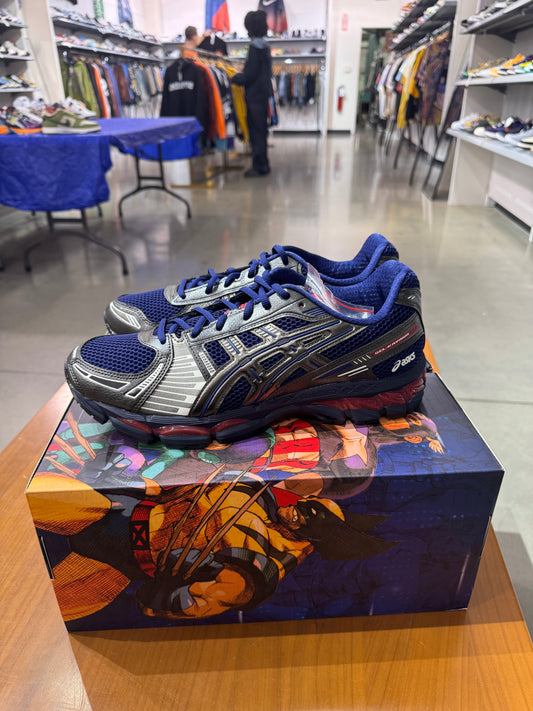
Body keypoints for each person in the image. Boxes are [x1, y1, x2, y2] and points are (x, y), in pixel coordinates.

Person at [231, 10, 272, 177]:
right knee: (261, 130)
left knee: (256, 132)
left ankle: (259, 166)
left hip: (255, 96)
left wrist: (234, 78)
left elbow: (250, 74)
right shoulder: (265, 46)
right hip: (262, 95)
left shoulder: (255, 47)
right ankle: (264, 164)